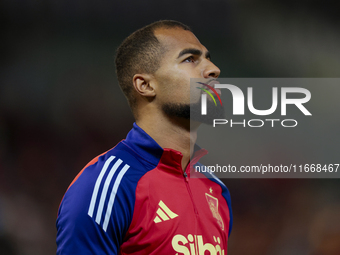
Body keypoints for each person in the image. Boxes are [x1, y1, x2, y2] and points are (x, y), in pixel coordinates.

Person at [56, 20, 232, 255]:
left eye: (208, 57)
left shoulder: (216, 189)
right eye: (190, 59)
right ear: (146, 85)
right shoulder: (105, 185)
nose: (213, 69)